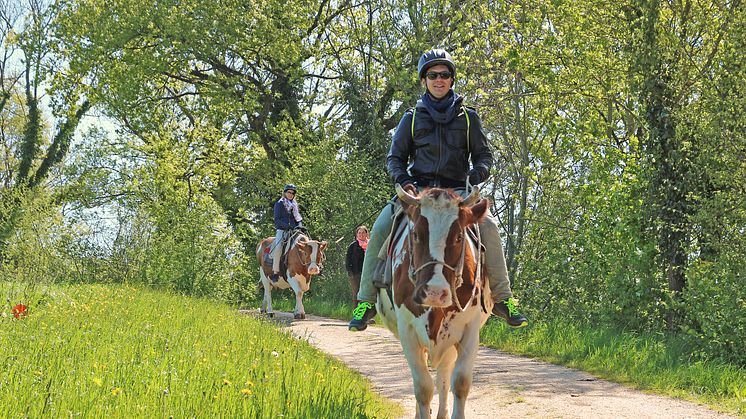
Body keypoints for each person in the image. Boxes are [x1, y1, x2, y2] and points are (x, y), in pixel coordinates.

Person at [348, 48, 528, 331]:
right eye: (432, 74)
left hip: (457, 194)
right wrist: (404, 182)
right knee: (381, 225)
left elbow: (484, 156)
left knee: (490, 228)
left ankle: (504, 299)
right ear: (424, 80)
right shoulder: (411, 117)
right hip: (419, 193)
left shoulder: (469, 118)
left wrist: (478, 172)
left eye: (444, 74)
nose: (439, 79)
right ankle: (366, 301)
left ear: (452, 79)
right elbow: (395, 158)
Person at [270, 184, 303, 282]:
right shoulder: (279, 204)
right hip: (282, 230)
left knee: (306, 243)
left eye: (293, 193)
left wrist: (300, 226)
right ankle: (275, 272)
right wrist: (286, 226)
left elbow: (298, 218)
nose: (291, 194)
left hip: (294, 230)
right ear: (285, 193)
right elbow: (277, 220)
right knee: (278, 247)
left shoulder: (295, 205)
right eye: (289, 192)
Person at [346, 225, 369, 306]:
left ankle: (367, 316)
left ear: (367, 234)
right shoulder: (353, 246)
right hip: (356, 274)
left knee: (368, 294)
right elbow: (348, 260)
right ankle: (356, 315)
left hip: (368, 274)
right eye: (359, 233)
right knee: (356, 294)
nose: (361, 234)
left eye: (363, 233)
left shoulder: (371, 245)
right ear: (357, 235)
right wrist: (350, 272)